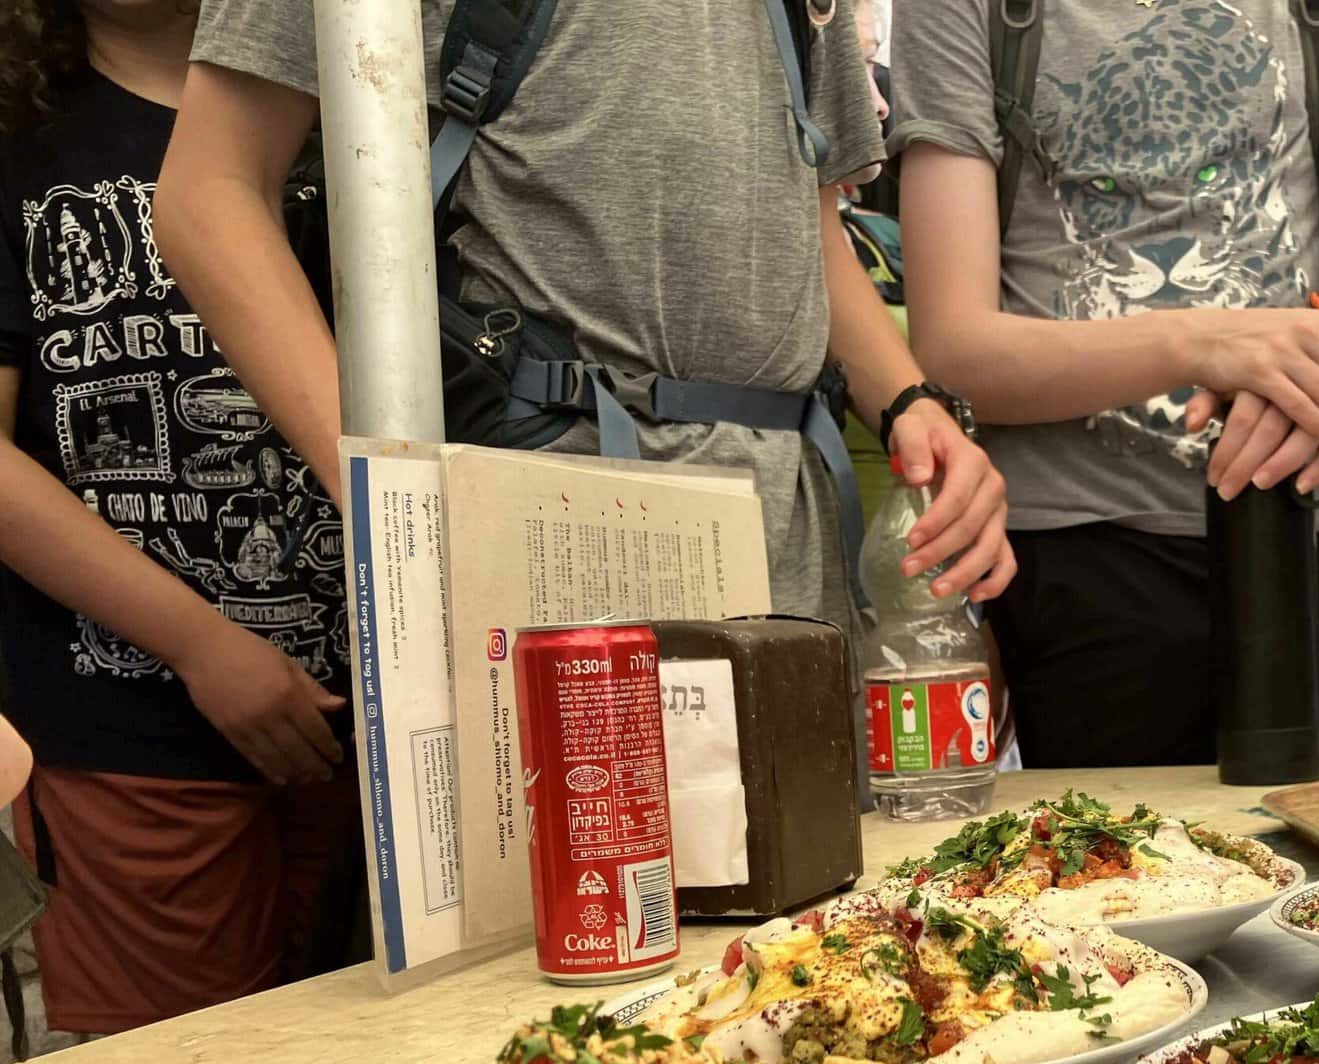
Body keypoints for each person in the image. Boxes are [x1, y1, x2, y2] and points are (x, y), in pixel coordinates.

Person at [152, 0, 1011, 630]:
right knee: (569, 871)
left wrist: (910, 402)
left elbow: (803, 215)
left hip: (786, 536)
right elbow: (211, 193)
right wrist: (392, 497)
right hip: (543, 527)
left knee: (812, 871)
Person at [889, 0, 1319, 768]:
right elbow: (955, 349)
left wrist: (1298, 389)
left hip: (1312, 529)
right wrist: (1207, 343)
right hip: (1086, 551)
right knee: (1141, 873)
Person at [0, 0, 361, 1037]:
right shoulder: (23, 138)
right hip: (130, 728)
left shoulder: (355, 132)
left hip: (370, 722)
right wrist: (202, 646)